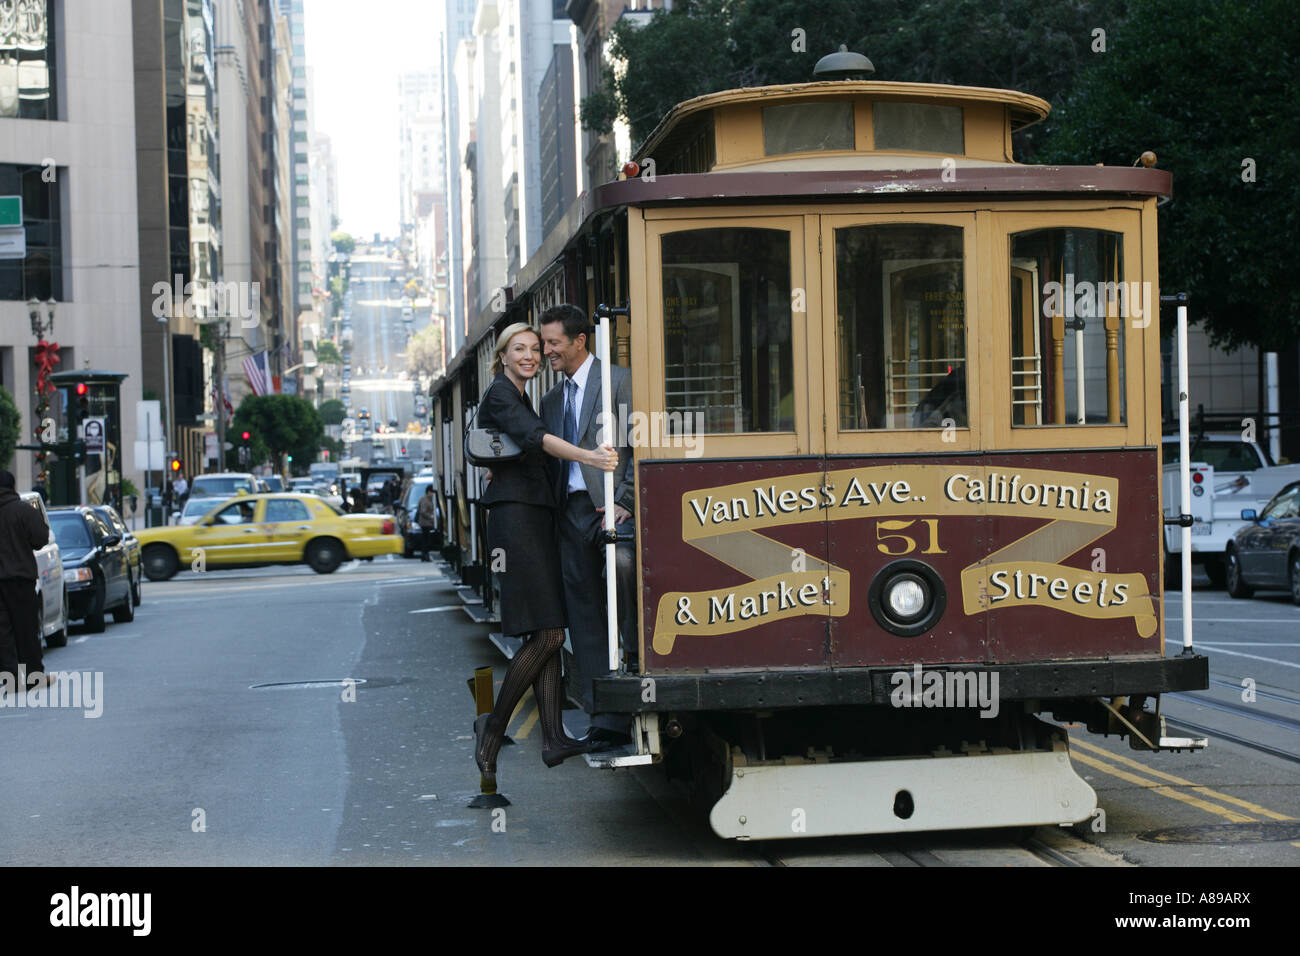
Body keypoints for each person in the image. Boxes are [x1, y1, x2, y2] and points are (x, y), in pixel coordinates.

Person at [472, 321, 619, 788]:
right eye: (521, 349)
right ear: (503, 355)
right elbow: (537, 439)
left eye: (536, 349)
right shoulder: (500, 394)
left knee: (549, 628)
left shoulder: (517, 395)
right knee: (550, 634)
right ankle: (493, 727)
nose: (531, 356)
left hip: (534, 520)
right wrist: (589, 458)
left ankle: (553, 736)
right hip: (516, 525)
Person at [539, 304, 637, 748]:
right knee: (584, 617)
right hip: (572, 514)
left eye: (553, 343)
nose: (547, 351)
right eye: (544, 344)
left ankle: (640, 694)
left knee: (627, 602)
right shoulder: (551, 399)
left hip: (612, 511)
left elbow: (642, 447)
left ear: (580, 341)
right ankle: (607, 720)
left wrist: (626, 502)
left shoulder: (621, 381)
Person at [0, 470, 53, 692]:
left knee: (3, 632)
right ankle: (33, 676)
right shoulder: (23, 510)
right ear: (12, 487)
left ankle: (10, 679)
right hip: (21, 578)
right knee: (27, 629)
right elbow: (41, 538)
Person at [416, 485, 439, 562]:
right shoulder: (425, 500)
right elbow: (423, 511)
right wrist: (431, 517)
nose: (433, 494)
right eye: (432, 492)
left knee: (425, 540)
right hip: (426, 523)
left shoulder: (427, 499)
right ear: (428, 492)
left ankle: (424, 555)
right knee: (427, 541)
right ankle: (425, 555)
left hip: (426, 523)